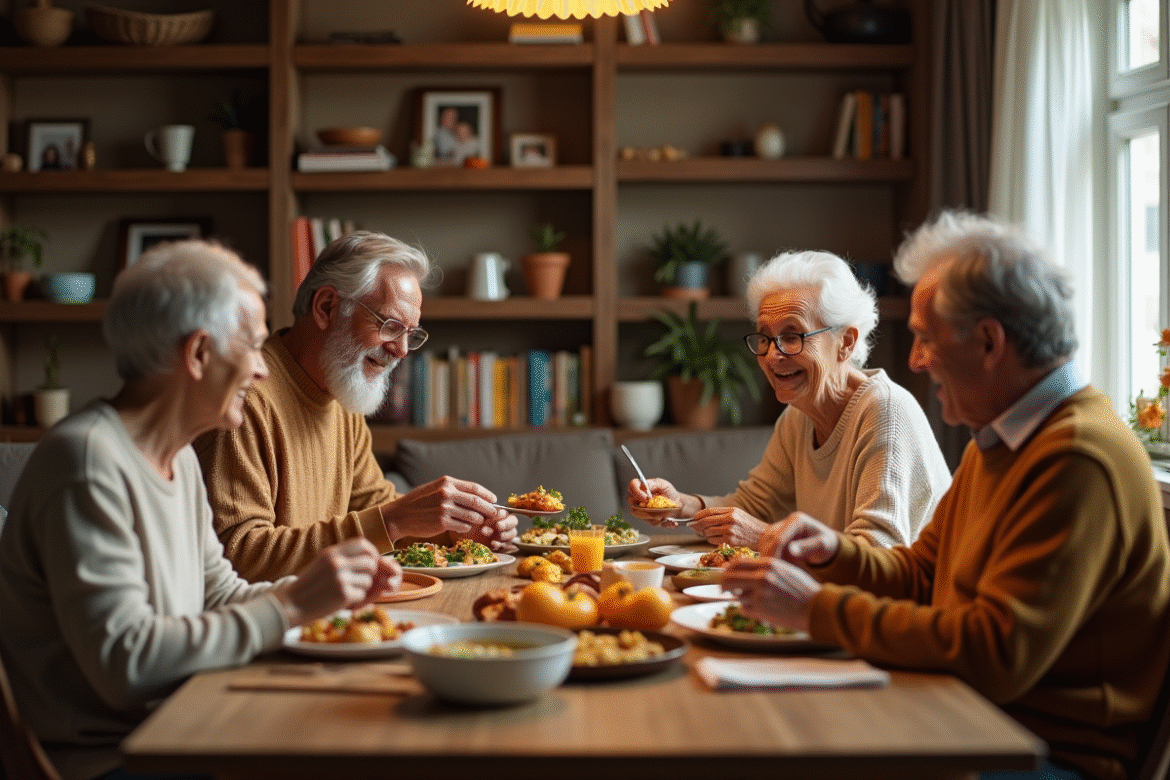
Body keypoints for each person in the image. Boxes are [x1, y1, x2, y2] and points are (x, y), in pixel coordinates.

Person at [722, 211, 1170, 780]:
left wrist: (815, 609)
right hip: (971, 719)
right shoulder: (1003, 438)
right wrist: (833, 553)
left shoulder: (1075, 457)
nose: (913, 360)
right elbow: (918, 573)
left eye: (926, 338)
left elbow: (994, 653)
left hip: (1040, 754)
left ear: (988, 342)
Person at [0, 239, 402, 780]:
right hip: (113, 759)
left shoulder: (177, 457)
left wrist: (325, 601)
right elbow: (127, 662)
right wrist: (289, 608)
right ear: (198, 354)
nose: (264, 371)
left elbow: (220, 593)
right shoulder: (88, 463)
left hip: (183, 723)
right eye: (254, 348)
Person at [195, 231, 517, 582]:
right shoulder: (244, 401)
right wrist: (394, 519)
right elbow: (240, 555)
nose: (402, 350)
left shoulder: (341, 391)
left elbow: (371, 508)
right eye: (391, 326)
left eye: (412, 333)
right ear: (326, 307)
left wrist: (457, 532)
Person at [627, 249, 951, 548]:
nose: (772, 355)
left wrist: (766, 537)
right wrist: (681, 504)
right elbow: (756, 505)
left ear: (846, 343)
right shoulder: (799, 415)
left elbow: (878, 550)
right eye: (765, 337)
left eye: (792, 336)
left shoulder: (885, 412)